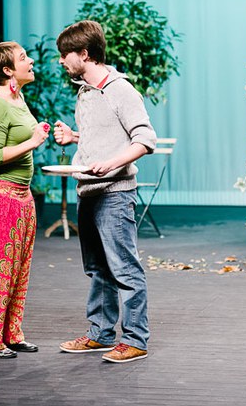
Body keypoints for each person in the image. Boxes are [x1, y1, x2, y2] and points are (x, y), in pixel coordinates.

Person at [53, 20, 157, 363]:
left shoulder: (120, 90)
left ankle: (136, 340)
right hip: (88, 191)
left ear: (84, 53)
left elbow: (145, 140)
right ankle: (100, 334)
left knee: (124, 268)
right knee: (98, 269)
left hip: (115, 192)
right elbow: (106, 136)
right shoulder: (84, 91)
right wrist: (74, 137)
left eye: (65, 54)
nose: (61, 61)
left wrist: (111, 164)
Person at [0, 41, 50, 358]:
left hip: (22, 195)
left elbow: (23, 137)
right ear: (8, 70)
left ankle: (11, 334)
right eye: (23, 58)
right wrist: (33, 141)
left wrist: (39, 132)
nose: (30, 61)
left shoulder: (18, 98)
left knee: (18, 270)